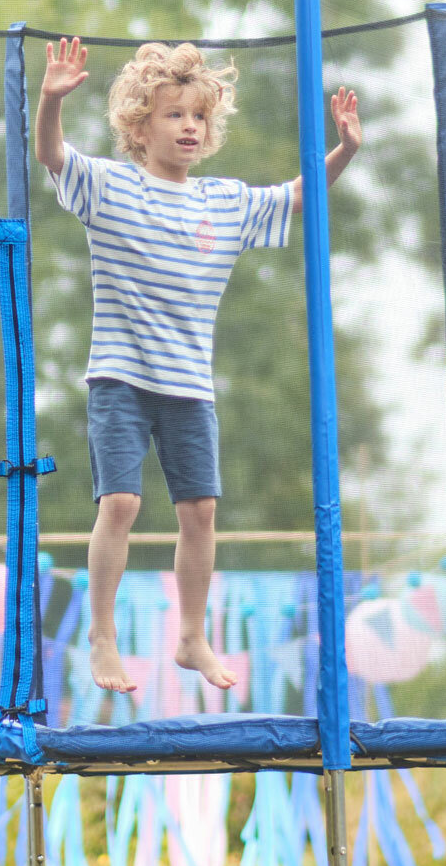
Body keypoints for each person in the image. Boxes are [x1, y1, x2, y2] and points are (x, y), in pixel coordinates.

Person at [34, 37, 361, 694]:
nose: (189, 127)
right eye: (173, 114)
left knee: (200, 512)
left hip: (189, 385)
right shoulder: (110, 185)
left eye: (198, 117)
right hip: (121, 376)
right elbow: (52, 155)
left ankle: (189, 636)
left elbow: (299, 196)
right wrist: (51, 101)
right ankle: (103, 635)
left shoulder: (224, 202)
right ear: (139, 125)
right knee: (121, 501)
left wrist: (346, 149)